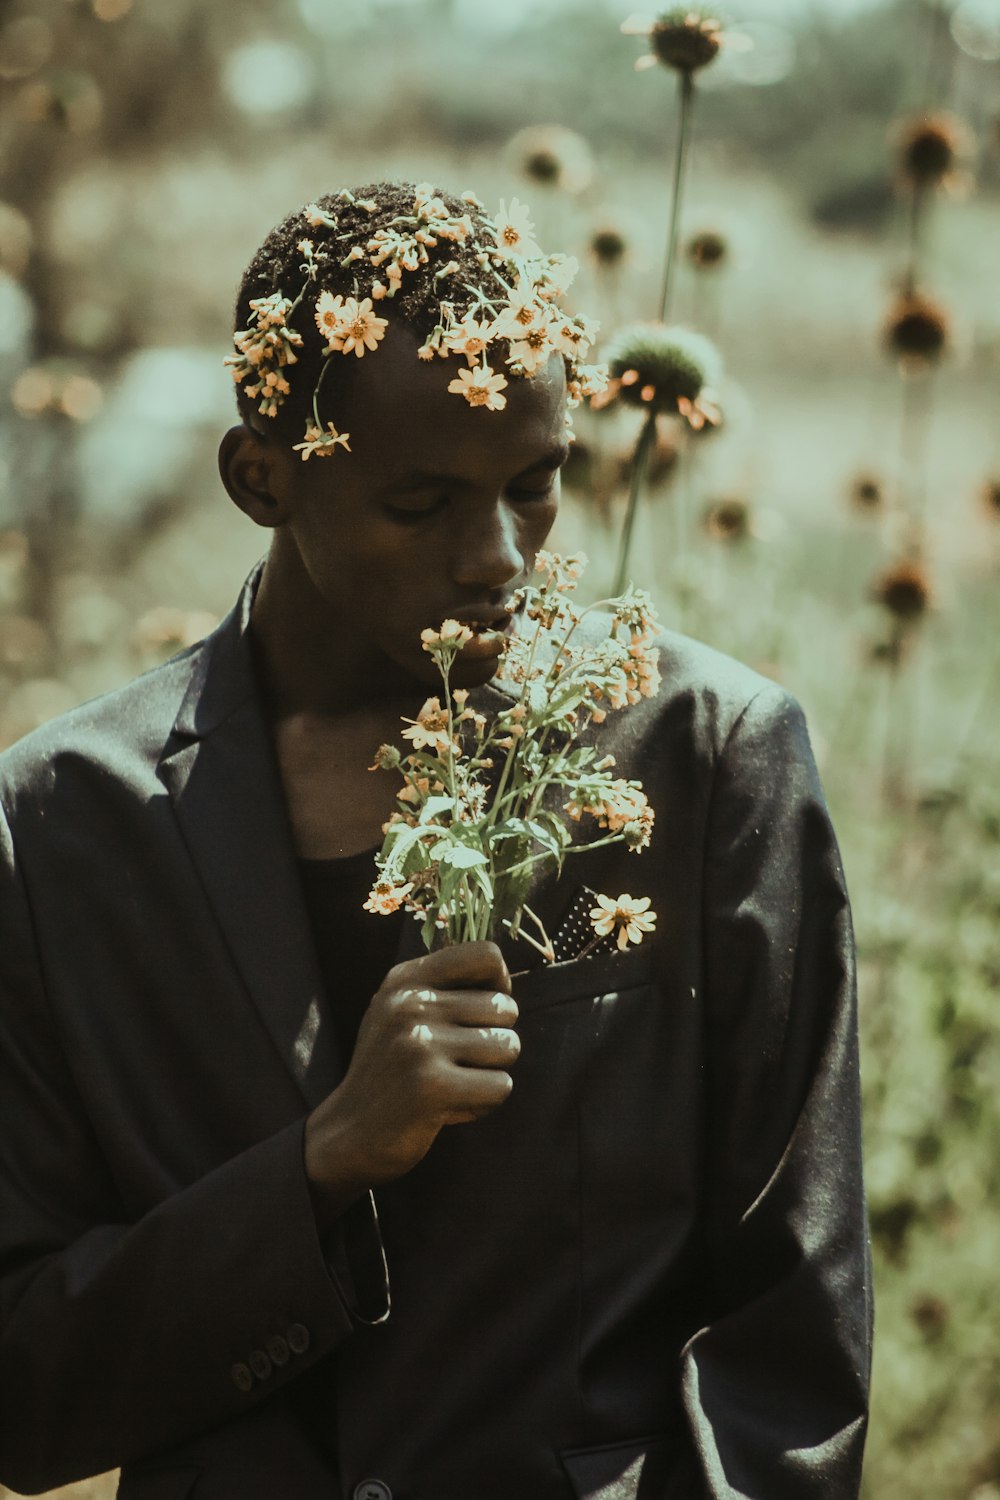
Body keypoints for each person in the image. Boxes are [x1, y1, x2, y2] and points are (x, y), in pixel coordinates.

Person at [0, 181, 872, 1500]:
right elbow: (21, 1391)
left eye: (535, 487)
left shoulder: (707, 759)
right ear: (261, 477)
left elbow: (791, 1343)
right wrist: (312, 1170)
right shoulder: (63, 823)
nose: (500, 559)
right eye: (422, 504)